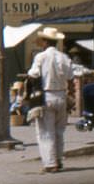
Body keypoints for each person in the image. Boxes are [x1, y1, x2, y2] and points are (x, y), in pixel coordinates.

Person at [27, 27, 74, 173]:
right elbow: (71, 79)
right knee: (59, 131)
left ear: (46, 41)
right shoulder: (64, 57)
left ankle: (50, 163)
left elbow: (33, 74)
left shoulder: (40, 57)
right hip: (61, 95)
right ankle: (58, 160)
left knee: (46, 132)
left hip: (47, 97)